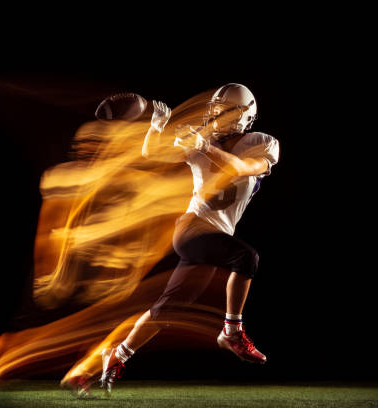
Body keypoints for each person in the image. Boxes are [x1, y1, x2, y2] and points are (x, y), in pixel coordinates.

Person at [99, 83, 280, 396]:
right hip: (193, 228)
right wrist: (157, 123)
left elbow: (238, 168)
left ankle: (118, 354)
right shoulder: (203, 137)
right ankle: (232, 332)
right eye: (216, 109)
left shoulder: (261, 143)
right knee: (246, 258)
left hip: (216, 235)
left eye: (225, 111)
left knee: (167, 310)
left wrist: (203, 144)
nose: (217, 115)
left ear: (244, 116)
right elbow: (152, 153)